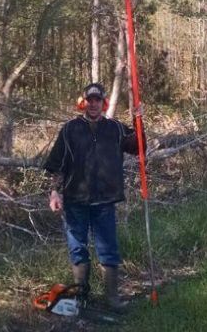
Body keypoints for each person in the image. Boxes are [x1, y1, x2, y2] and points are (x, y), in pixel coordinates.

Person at [43, 82, 139, 310]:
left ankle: (112, 300)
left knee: (109, 250)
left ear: (103, 103)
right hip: (76, 200)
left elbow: (137, 147)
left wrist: (138, 121)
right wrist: (54, 192)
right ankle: (82, 296)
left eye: (97, 100)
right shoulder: (70, 129)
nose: (93, 104)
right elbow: (57, 164)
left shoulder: (115, 128)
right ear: (83, 102)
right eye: (90, 100)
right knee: (78, 248)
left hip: (105, 200)